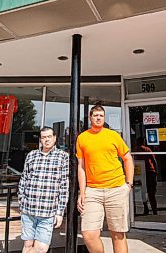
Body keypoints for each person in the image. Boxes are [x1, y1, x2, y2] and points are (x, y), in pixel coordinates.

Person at [77, 104, 134, 253]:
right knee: (89, 234)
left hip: (116, 188)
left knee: (118, 234)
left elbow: (127, 158)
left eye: (101, 116)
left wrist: (129, 184)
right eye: (95, 115)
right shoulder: (82, 138)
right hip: (93, 191)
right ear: (90, 117)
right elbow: (81, 167)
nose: (98, 118)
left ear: (104, 118)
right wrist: (82, 193)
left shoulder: (113, 135)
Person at [18, 127, 69, 253]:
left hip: (48, 212)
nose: (47, 140)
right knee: (28, 245)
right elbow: (24, 179)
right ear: (40, 140)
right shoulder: (32, 155)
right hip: (28, 210)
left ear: (55, 138)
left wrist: (59, 212)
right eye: (44, 137)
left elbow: (64, 185)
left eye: (49, 137)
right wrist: (21, 201)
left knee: (41, 249)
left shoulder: (63, 157)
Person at [135, 137, 158, 215]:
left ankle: (146, 208)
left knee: (143, 191)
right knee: (151, 192)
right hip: (149, 171)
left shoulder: (135, 150)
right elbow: (153, 160)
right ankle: (154, 209)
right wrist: (156, 171)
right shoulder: (147, 149)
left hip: (140, 172)